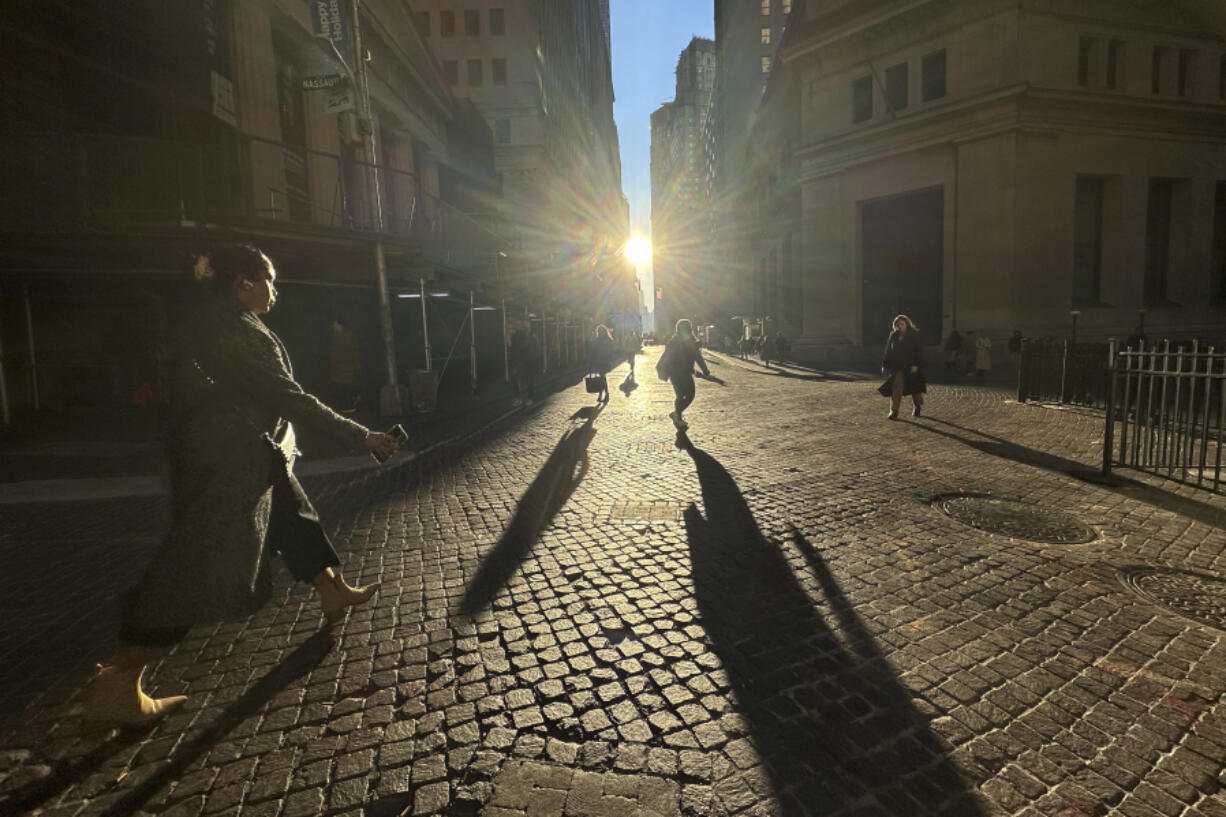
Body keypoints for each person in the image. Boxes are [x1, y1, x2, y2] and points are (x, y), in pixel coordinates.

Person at [81, 244, 400, 736]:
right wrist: (364, 436)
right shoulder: (236, 330)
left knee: (269, 529)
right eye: (269, 279)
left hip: (224, 460)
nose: (275, 290)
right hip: (231, 468)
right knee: (195, 574)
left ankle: (331, 592)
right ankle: (120, 683)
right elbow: (289, 395)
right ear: (244, 283)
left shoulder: (203, 322)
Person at [660, 318, 710, 431]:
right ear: (689, 329)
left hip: (674, 373)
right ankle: (677, 414)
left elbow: (666, 356)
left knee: (680, 395)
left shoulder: (673, 341)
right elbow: (698, 357)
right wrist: (705, 370)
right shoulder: (690, 341)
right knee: (690, 395)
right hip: (684, 373)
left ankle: (677, 416)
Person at [880, 314, 926, 419]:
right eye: (897, 324)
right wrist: (884, 364)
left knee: (915, 389)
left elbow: (918, 351)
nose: (900, 326)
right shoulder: (893, 335)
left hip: (910, 365)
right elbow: (888, 351)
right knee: (896, 387)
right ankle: (894, 411)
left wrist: (915, 364)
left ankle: (917, 406)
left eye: (901, 324)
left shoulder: (914, 334)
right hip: (897, 367)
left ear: (906, 324)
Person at [327, 318, 362, 414]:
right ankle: (345, 406)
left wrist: (355, 366)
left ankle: (349, 406)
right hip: (338, 370)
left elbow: (354, 353)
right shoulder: (335, 337)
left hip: (346, 369)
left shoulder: (348, 337)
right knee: (340, 388)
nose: (333, 326)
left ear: (340, 325)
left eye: (335, 324)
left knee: (346, 388)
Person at [588, 324, 616, 402]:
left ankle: (604, 394)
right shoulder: (597, 340)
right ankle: (604, 394)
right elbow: (593, 351)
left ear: (605, 331)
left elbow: (611, 351)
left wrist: (609, 358)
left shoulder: (608, 340)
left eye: (602, 331)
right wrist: (592, 361)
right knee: (602, 378)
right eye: (599, 331)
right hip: (598, 362)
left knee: (602, 377)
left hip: (605, 362)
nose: (601, 332)